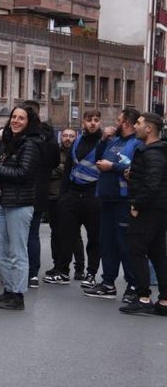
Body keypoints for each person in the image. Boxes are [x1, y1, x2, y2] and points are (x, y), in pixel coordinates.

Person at [0, 105, 41, 311]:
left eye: (21, 118)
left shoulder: (31, 144)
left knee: (18, 252)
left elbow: (24, 174)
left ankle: (17, 295)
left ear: (29, 122)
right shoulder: (7, 142)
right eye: (13, 117)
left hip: (20, 204)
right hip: (1, 201)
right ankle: (9, 289)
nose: (15, 121)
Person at [84, 108, 141, 302]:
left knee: (125, 245)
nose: (115, 123)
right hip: (107, 199)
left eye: (118, 120)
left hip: (124, 200)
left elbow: (137, 169)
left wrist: (113, 167)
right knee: (107, 242)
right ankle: (108, 283)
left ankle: (133, 285)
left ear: (126, 123)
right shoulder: (114, 140)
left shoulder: (136, 144)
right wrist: (102, 140)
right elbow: (98, 156)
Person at [45, 113, 101, 286]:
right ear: (83, 122)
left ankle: (90, 273)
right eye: (89, 120)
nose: (92, 124)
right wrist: (63, 198)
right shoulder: (78, 142)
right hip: (73, 196)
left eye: (96, 120)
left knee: (94, 238)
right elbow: (68, 171)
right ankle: (63, 271)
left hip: (94, 196)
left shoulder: (104, 143)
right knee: (66, 236)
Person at [121, 113, 167, 315]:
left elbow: (153, 184)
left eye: (139, 123)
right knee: (158, 253)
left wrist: (137, 205)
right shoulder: (152, 151)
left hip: (149, 209)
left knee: (136, 250)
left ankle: (143, 297)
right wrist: (133, 177)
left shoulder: (153, 153)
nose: (135, 126)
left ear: (149, 129)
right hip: (158, 209)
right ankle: (164, 301)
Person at [22, 100, 59, 289]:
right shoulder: (49, 138)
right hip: (40, 191)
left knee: (22, 235)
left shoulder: (25, 138)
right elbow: (54, 162)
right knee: (32, 234)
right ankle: (32, 273)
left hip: (24, 191)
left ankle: (24, 271)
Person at [43, 127, 86, 283]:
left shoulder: (78, 152)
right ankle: (58, 265)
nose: (68, 138)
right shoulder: (55, 151)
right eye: (65, 135)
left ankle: (80, 268)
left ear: (76, 138)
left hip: (71, 197)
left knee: (74, 235)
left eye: (71, 136)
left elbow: (71, 171)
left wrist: (60, 170)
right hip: (54, 197)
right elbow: (47, 170)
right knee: (55, 233)